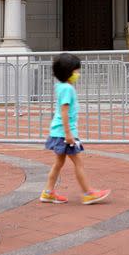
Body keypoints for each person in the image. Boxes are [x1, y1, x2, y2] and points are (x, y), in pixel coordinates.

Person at [40, 53, 111, 205]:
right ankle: (88, 193)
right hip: (64, 133)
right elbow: (64, 112)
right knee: (78, 163)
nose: (78, 74)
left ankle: (48, 192)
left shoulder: (60, 86)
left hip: (58, 132)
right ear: (68, 72)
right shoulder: (67, 89)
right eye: (76, 71)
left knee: (58, 163)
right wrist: (68, 134)